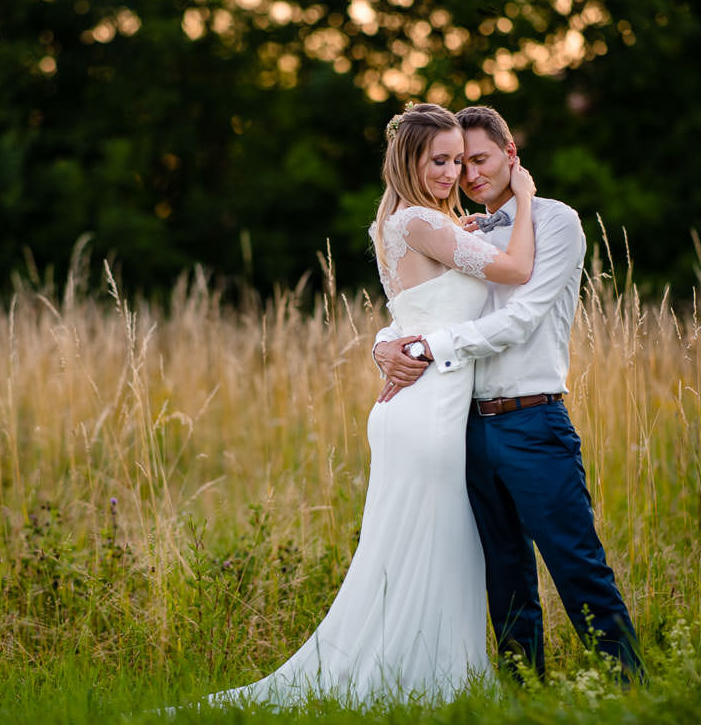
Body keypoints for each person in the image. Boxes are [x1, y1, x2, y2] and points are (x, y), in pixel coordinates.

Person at [203, 103, 538, 708]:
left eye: (458, 161)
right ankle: (428, 683)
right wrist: (526, 196)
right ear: (408, 160)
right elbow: (514, 270)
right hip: (428, 412)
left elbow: (415, 313)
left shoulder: (401, 222)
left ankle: (418, 677)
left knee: (420, 547)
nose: (451, 173)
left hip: (416, 406)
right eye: (439, 161)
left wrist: (384, 341)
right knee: (439, 547)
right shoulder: (421, 222)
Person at [373, 105, 642, 682]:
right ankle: (523, 691)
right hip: (462, 425)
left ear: (510, 153)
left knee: (576, 563)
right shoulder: (460, 229)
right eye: (455, 162)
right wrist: (383, 346)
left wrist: (429, 347)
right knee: (502, 571)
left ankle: (629, 688)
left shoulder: (554, 221)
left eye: (478, 159)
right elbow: (418, 303)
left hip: (531, 421)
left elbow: (520, 318)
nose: (466, 174)